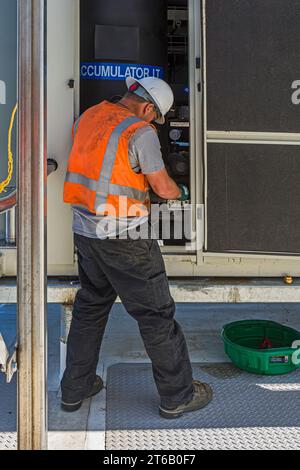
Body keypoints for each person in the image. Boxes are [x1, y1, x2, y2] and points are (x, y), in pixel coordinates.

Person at [61, 76, 213, 418]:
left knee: (90, 308)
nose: (152, 123)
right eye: (154, 117)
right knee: (156, 316)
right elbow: (162, 186)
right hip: (124, 236)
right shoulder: (139, 132)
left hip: (85, 231)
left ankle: (75, 388)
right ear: (147, 108)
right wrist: (182, 192)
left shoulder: (89, 115)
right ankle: (177, 396)